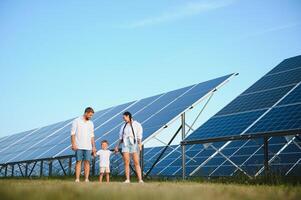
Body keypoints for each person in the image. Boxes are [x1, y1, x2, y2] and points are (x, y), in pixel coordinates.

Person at [114, 111, 144, 183]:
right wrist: (117, 146)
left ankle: (140, 180)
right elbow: (121, 138)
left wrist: (139, 144)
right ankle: (127, 179)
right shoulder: (123, 126)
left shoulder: (137, 124)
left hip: (134, 143)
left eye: (124, 117)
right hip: (125, 144)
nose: (123, 119)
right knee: (126, 162)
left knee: (136, 162)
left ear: (128, 116)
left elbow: (139, 136)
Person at [71, 107, 96, 182]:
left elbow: (92, 135)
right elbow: (73, 134)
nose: (91, 117)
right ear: (86, 113)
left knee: (87, 162)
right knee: (78, 161)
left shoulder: (91, 123)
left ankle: (86, 179)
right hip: (78, 145)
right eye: (90, 115)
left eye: (92, 115)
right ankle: (77, 179)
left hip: (88, 146)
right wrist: (73, 144)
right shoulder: (76, 121)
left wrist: (93, 147)